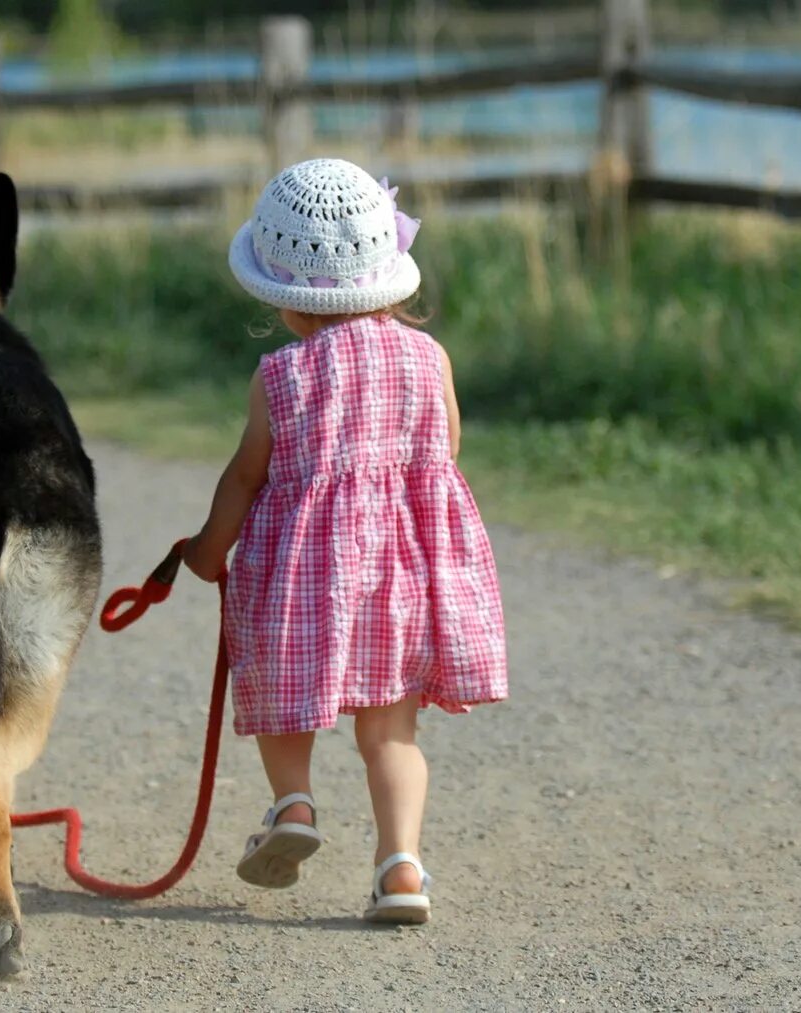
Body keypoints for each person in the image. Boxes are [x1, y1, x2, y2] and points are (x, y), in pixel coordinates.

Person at [181, 158, 508, 924]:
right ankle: (401, 868)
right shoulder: (431, 359)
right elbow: (445, 452)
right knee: (391, 730)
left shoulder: (281, 375)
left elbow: (244, 477)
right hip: (401, 573)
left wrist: (205, 550)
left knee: (285, 700)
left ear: (286, 301)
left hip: (302, 577)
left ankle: (293, 805)